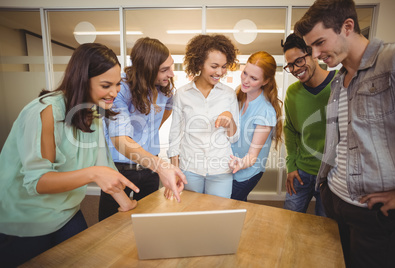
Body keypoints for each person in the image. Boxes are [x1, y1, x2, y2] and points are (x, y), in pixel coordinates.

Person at [0, 43, 138, 267]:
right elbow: (38, 182)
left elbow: (105, 165)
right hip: (25, 219)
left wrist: (126, 204)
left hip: (66, 211)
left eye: (117, 84)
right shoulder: (45, 112)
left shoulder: (91, 111)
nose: (115, 92)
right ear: (82, 80)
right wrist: (93, 173)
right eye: (106, 85)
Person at [294, 0, 395, 267]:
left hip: (375, 215)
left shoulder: (394, 60)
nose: (316, 53)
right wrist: (325, 188)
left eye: (320, 42)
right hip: (335, 200)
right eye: (311, 47)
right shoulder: (337, 84)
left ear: (347, 27)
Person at [99, 37, 186, 221]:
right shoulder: (120, 89)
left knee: (147, 221)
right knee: (109, 223)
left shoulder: (165, 89)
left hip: (149, 171)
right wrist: (162, 167)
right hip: (119, 168)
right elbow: (120, 141)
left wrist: (146, 138)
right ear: (147, 69)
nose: (171, 74)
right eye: (164, 70)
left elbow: (164, 114)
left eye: (171, 67)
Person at [167, 34, 239, 199]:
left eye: (224, 66)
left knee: (219, 218)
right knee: (190, 217)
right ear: (199, 63)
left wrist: (230, 121)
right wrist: (175, 170)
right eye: (214, 66)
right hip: (190, 168)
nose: (219, 72)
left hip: (221, 169)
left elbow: (234, 138)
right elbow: (175, 135)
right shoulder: (182, 94)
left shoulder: (228, 94)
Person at [282, 33, 337, 216]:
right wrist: (291, 166)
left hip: (332, 176)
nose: (295, 69)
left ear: (312, 53)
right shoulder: (292, 92)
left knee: (325, 231)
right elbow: (290, 129)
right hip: (302, 173)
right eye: (290, 65)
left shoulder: (340, 84)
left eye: (298, 61)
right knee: (288, 223)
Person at [228, 51, 282, 201]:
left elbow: (252, 157)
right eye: (245, 73)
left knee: (229, 206)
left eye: (253, 78)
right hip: (231, 166)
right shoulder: (238, 95)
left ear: (265, 81)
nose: (245, 80)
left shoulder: (265, 111)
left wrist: (239, 163)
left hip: (246, 172)